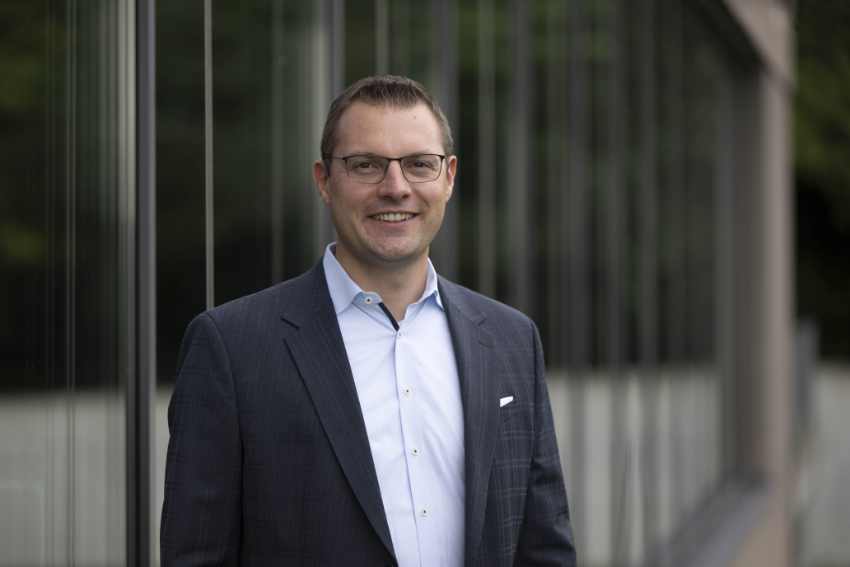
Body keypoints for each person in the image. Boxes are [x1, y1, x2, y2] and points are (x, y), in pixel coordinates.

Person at [160, 75, 577, 566]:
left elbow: (543, 548)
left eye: (419, 164)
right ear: (324, 180)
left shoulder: (511, 340)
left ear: (449, 176)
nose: (395, 188)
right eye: (366, 165)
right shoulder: (232, 348)